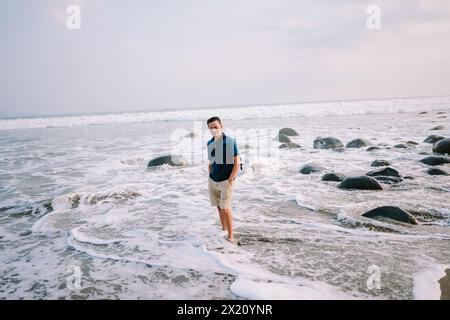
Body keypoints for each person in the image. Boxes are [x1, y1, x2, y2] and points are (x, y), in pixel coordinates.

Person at [206, 116, 240, 243]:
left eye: (216, 127)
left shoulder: (230, 141)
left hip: (226, 180)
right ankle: (223, 230)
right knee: (219, 207)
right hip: (213, 180)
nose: (214, 130)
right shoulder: (209, 143)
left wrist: (231, 179)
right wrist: (210, 174)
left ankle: (231, 237)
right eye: (211, 128)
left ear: (221, 126)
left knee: (225, 208)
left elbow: (237, 162)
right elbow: (210, 162)